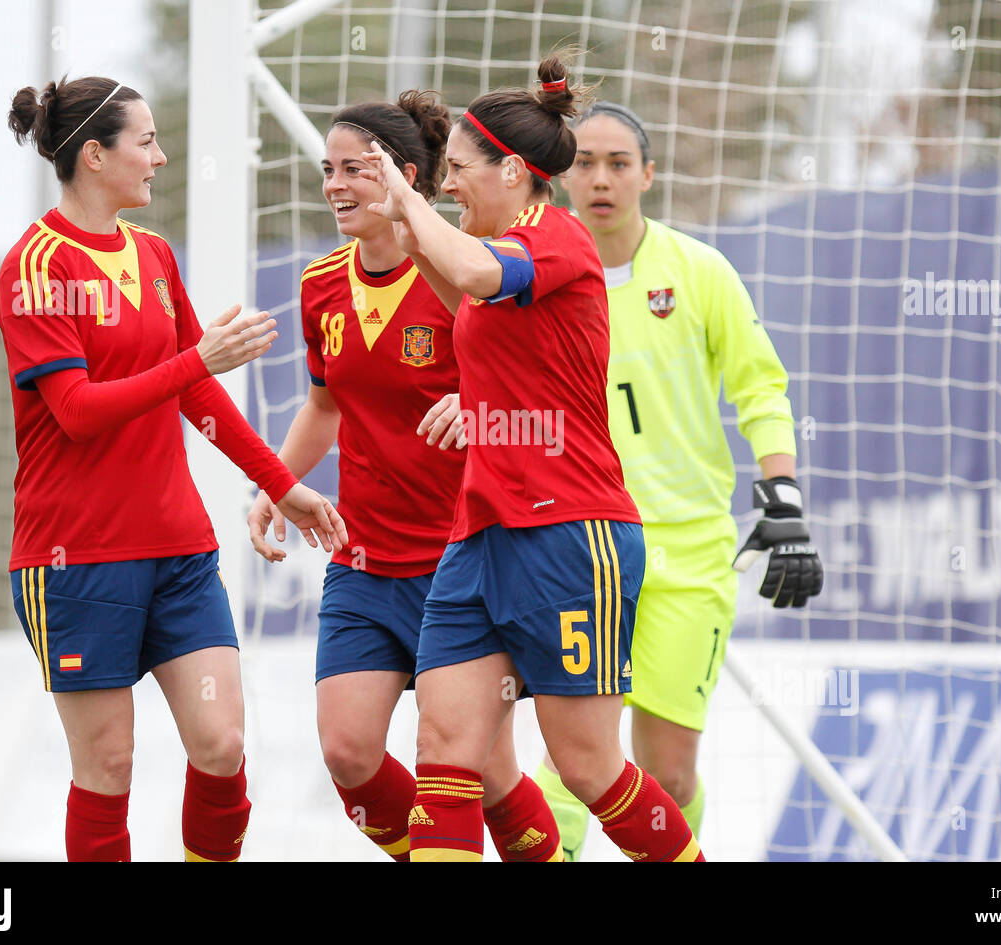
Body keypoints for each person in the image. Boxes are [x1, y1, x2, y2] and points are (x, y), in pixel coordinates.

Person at [360, 53, 704, 861]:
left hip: (570, 534)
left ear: (513, 171)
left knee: (589, 765)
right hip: (481, 535)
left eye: (458, 172)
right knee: (449, 748)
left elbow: (478, 274)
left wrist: (409, 199)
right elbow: (475, 301)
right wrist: (409, 236)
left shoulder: (557, 238)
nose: (449, 186)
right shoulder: (501, 258)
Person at [0, 75, 347, 862]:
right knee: (108, 765)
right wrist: (194, 357)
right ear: (94, 154)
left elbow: (196, 393)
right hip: (76, 560)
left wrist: (283, 485)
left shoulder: (152, 254)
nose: (161, 156)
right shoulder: (36, 266)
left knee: (222, 744)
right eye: (146, 141)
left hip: (178, 554)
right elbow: (78, 412)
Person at [246, 91, 562, 862]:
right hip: (365, 558)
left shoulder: (459, 265)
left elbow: (528, 374)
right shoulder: (321, 282)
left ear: (405, 177)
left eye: (355, 168)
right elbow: (325, 404)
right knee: (349, 753)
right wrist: (274, 485)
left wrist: (472, 394)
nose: (336, 185)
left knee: (484, 771)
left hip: (464, 558)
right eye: (328, 170)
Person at [534, 102, 824, 858]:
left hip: (690, 554)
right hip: (580, 548)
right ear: (560, 175)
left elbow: (760, 388)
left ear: (648, 174)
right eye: (584, 162)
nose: (600, 178)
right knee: (571, 764)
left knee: (665, 771)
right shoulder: (528, 276)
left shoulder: (699, 272)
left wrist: (783, 495)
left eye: (618, 163)